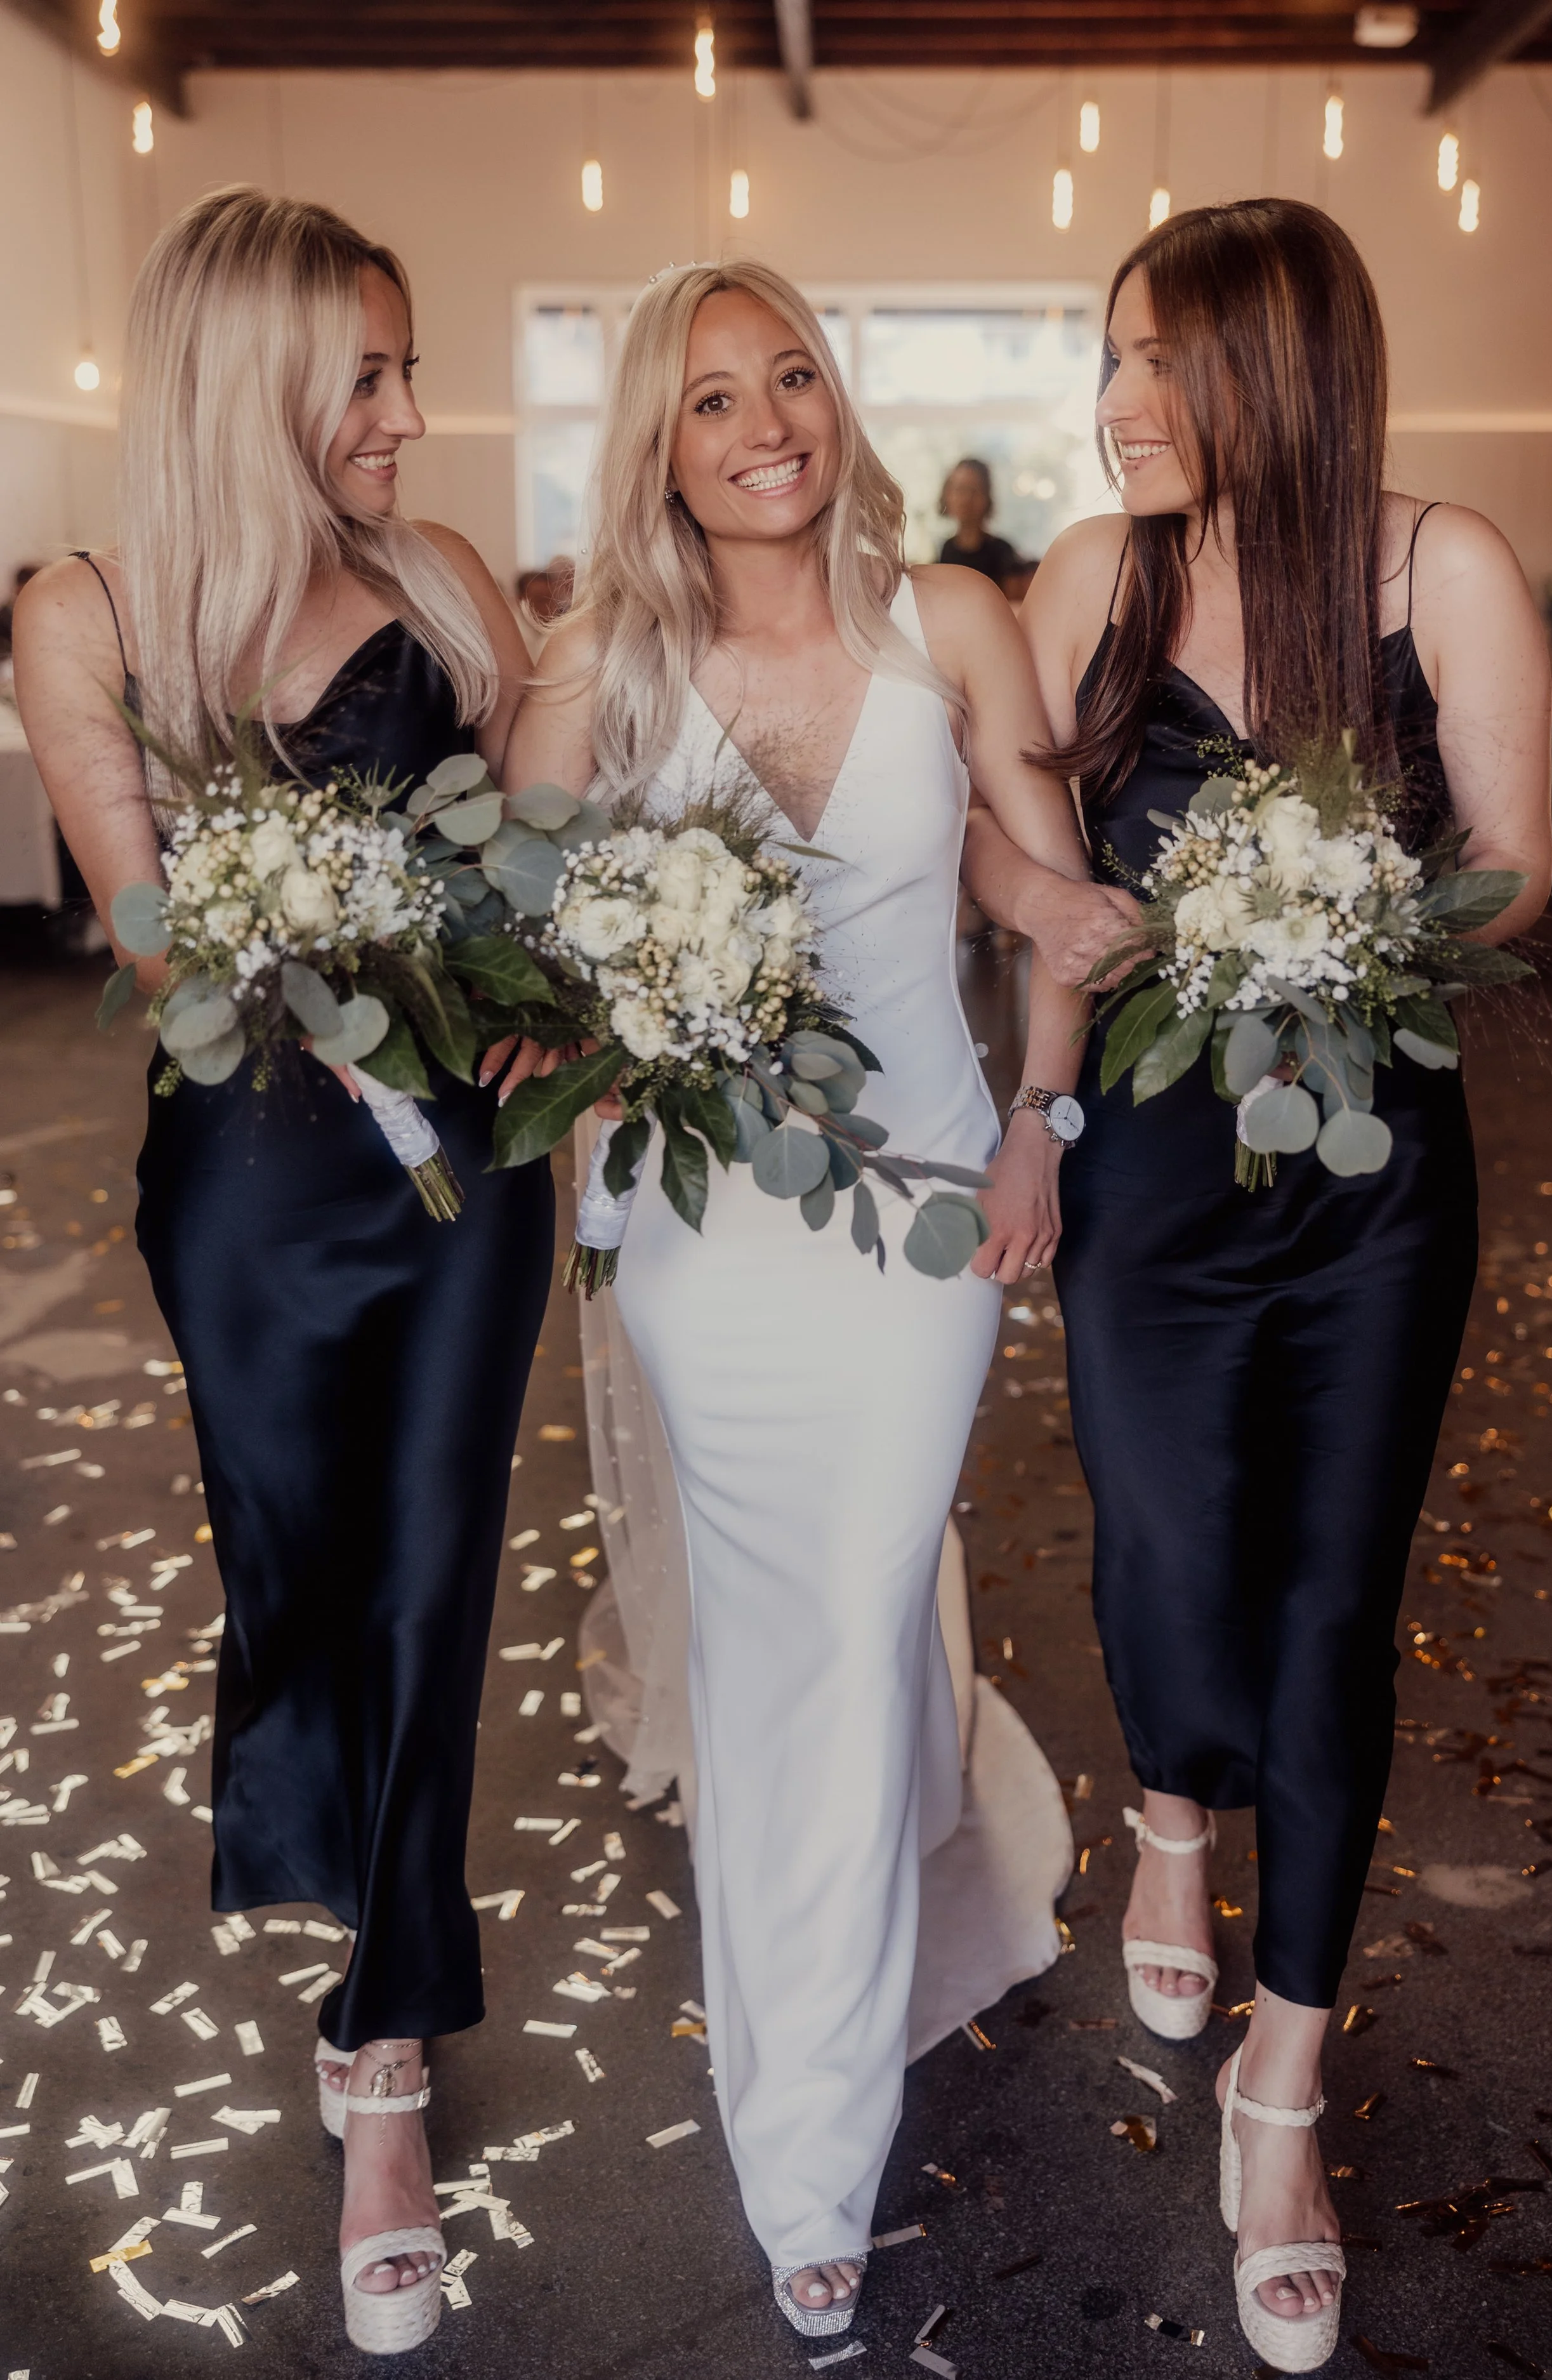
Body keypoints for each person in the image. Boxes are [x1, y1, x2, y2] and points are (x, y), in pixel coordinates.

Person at [962, 198, 1552, 2371]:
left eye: (1160, 361)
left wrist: (1332, 912)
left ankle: (1283, 2087)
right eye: (1107, 355)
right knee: (1160, 1559)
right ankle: (1172, 1818)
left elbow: (1512, 877)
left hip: (1377, 1176)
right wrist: (1040, 1092)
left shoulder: (1443, 569)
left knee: (1328, 1603)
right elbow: (1010, 855)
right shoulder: (1091, 581)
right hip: (1153, 1179)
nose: (1117, 403)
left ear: (1276, 367)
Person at [494, 259, 1090, 2339]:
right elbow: (516, 944)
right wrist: (546, 1018)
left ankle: (816, 2111)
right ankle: (808, 2136)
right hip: (706, 1243)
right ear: (656, 441)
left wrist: (1048, 1122)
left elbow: (1031, 883)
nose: (772, 428)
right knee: (784, 1668)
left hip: (928, 1203)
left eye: (798, 384)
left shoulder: (953, 623)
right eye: (718, 401)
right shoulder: (590, 679)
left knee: (846, 1629)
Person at [13, 187, 556, 2356]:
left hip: (464, 1183)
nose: (412, 417)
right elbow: (142, 936)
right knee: (297, 1561)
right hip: (245, 1181)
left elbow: (543, 841)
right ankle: (344, 1883)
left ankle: (391, 2032)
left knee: (436, 1568)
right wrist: (291, 921)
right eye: (372, 374)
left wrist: (555, 987)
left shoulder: (438, 586)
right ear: (251, 377)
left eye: (411, 368)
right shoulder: (92, 609)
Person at [938, 456, 1023, 588]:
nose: (966, 499)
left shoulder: (1003, 552)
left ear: (987, 497)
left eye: (974, 490)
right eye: (960, 490)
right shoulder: (946, 549)